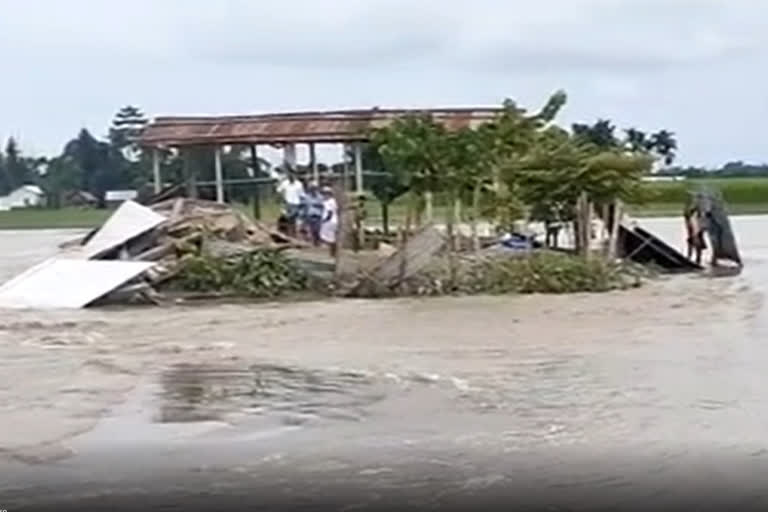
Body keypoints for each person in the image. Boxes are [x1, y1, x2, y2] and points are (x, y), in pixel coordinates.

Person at [276, 172, 304, 237]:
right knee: (287, 219)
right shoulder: (285, 183)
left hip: (296, 204)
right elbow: (278, 191)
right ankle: (288, 235)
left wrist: (301, 205)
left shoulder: (299, 184)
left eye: (293, 174)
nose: (291, 176)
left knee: (293, 220)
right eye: (290, 174)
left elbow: (301, 195)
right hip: (287, 204)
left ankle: (294, 235)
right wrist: (281, 199)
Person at [319, 186, 339, 257]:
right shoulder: (333, 201)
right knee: (331, 237)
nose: (324, 195)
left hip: (329, 221)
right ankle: (332, 252)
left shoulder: (329, 202)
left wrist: (325, 220)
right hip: (333, 220)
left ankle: (333, 253)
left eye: (325, 193)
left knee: (329, 237)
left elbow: (329, 212)